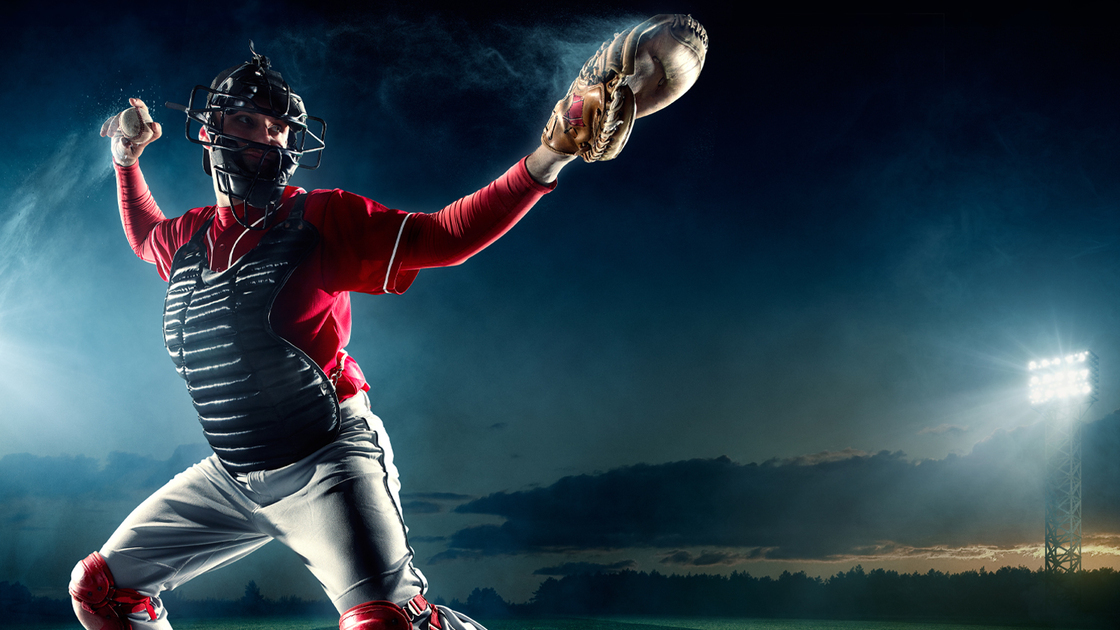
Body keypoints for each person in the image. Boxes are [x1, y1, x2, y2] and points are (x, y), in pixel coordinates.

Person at [70, 15, 706, 630]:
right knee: (102, 591)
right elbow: (143, 233)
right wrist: (126, 159)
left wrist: (547, 156)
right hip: (233, 473)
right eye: (246, 121)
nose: (265, 138)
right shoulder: (186, 239)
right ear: (210, 132)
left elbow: (442, 237)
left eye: (275, 128)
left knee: (381, 624)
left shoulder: (321, 219)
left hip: (327, 460)